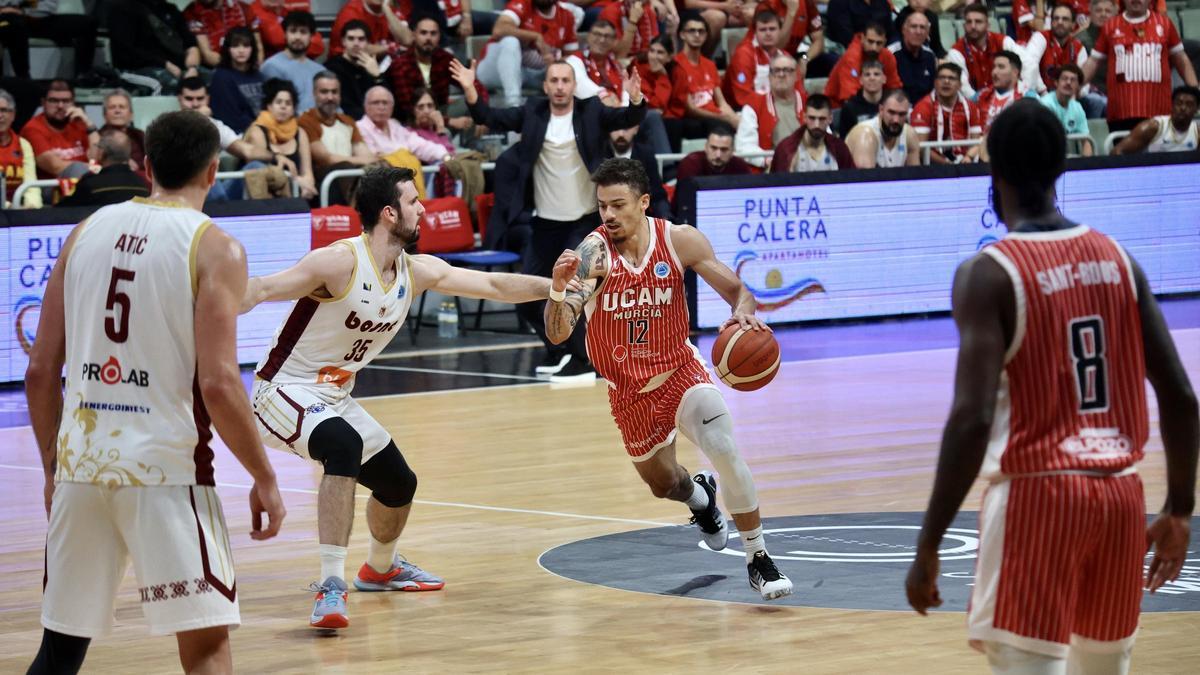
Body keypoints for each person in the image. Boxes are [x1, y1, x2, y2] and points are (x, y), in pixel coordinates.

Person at [905, 99, 1198, 674]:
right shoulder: (1119, 260)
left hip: (1038, 499)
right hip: (1120, 499)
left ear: (995, 173)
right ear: (1063, 168)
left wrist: (929, 542)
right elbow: (1182, 397)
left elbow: (970, 419)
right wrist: (1180, 511)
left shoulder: (988, 273)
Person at [243, 165, 570, 629]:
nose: (424, 210)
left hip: (334, 396)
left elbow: (496, 285)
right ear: (389, 213)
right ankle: (331, 586)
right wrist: (206, 295)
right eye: (415, 202)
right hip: (281, 389)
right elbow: (262, 288)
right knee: (344, 446)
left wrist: (557, 288)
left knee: (399, 485)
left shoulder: (413, 271)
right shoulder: (338, 262)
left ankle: (379, 568)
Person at [24, 109, 285, 675]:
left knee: (60, 652)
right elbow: (217, 383)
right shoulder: (217, 249)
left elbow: (41, 372)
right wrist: (265, 476)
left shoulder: (82, 232)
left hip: (81, 469)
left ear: (146, 167)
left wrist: (52, 467)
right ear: (214, 171)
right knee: (207, 648)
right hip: (167, 473)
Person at [544, 157, 795, 601]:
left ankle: (758, 558)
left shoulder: (679, 240)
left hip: (680, 370)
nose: (609, 215)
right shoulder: (593, 254)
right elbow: (559, 331)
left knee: (723, 445)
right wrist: (560, 288)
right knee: (664, 485)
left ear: (643, 202)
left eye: (618, 204)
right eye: (602, 206)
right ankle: (699, 498)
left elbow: (739, 291)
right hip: (630, 392)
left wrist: (742, 313)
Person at [452, 58, 648, 382]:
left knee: (574, 292)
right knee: (527, 299)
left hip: (583, 221)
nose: (559, 87)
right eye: (553, 81)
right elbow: (490, 117)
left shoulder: (590, 111)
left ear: (574, 85)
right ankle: (561, 350)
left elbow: (628, 117)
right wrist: (471, 89)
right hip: (544, 222)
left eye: (565, 81)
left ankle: (584, 359)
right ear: (545, 86)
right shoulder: (533, 112)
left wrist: (635, 97)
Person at [1081, 0, 1198, 132]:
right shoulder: (1110, 26)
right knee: (1121, 151)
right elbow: (1093, 62)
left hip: (1159, 112)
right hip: (1121, 114)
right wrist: (1074, 88)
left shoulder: (1165, 24)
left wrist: (1195, 92)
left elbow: (1182, 59)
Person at [476, 0, 580, 107]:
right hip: (493, 71)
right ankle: (514, 104)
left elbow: (572, 57)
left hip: (531, 74)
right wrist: (535, 36)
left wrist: (555, 63)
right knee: (510, 41)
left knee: (571, 65)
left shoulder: (566, 16)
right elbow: (499, 29)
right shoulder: (522, 3)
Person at [389, 13, 488, 123]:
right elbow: (408, 109)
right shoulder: (401, 64)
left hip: (441, 111)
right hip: (413, 120)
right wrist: (448, 121)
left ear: (439, 36)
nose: (428, 38)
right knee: (447, 130)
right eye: (423, 33)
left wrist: (483, 115)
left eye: (433, 33)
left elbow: (474, 85)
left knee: (472, 102)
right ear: (414, 35)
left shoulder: (444, 58)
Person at [299, 73, 376, 205]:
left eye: (334, 92)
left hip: (350, 176)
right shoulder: (306, 121)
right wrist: (362, 161)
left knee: (381, 167)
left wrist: (375, 162)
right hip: (322, 183)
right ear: (314, 94)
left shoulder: (347, 121)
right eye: (324, 92)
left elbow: (364, 153)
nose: (330, 97)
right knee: (345, 168)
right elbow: (326, 158)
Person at [105, 0, 202, 94]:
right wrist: (165, 64)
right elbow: (125, 51)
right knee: (171, 82)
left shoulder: (171, 9)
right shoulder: (123, 8)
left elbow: (190, 43)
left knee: (210, 78)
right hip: (137, 68)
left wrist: (192, 68)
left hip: (177, 66)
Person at [244, 78, 319, 199]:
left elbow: (308, 173)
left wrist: (306, 185)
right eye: (278, 102)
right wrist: (296, 182)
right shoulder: (258, 131)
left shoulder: (300, 133)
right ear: (269, 106)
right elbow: (260, 171)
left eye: (288, 103)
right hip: (264, 194)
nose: (283, 107)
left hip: (298, 193)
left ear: (294, 109)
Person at [668, 15, 740, 139]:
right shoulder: (676, 64)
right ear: (682, 35)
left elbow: (721, 102)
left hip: (715, 115)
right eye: (692, 31)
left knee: (745, 123)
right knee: (722, 127)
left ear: (706, 36)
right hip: (695, 118)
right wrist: (722, 118)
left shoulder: (710, 65)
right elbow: (690, 108)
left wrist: (735, 119)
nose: (697, 35)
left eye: (701, 31)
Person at [0, 0, 97, 80]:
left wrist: (23, 10)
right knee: (15, 26)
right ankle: (23, 77)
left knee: (88, 24)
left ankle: (83, 75)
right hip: (5, 20)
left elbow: (47, 6)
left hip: (36, 18)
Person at [736, 53, 807, 162]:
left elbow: (826, 138)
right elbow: (744, 147)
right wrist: (769, 161)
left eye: (787, 70)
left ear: (796, 75)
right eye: (776, 71)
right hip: (771, 171)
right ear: (769, 77)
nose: (781, 75)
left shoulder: (809, 103)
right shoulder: (754, 105)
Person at [358, 85, 454, 165]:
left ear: (392, 107)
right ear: (366, 106)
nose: (381, 107)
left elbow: (422, 146)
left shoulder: (396, 127)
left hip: (408, 179)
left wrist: (445, 156)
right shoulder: (359, 128)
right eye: (376, 103)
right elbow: (376, 157)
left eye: (385, 103)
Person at [20, 80, 96, 180]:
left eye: (66, 101)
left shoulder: (79, 123)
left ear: (73, 102)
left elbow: (97, 157)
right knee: (77, 169)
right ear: (43, 103)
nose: (60, 106)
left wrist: (89, 124)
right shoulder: (32, 128)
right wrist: (91, 167)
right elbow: (54, 166)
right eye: (54, 101)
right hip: (50, 187)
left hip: (83, 183)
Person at [947, 4, 1025, 99]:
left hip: (1008, 96)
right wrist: (984, 103)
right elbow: (964, 88)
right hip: (976, 103)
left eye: (978, 22)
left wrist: (1023, 91)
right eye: (969, 22)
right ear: (964, 25)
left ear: (988, 25)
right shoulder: (956, 51)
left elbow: (1027, 63)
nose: (973, 26)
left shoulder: (1003, 41)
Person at [57, 130, 151, 208]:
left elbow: (65, 210)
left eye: (98, 147)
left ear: (101, 152)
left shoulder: (90, 184)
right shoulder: (142, 185)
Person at [911, 62, 981, 164]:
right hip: (933, 166)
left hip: (965, 163)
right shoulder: (923, 107)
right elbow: (921, 148)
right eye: (941, 78)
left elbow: (977, 141)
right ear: (935, 82)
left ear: (960, 85)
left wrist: (969, 157)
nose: (946, 81)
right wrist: (947, 165)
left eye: (952, 78)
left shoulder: (971, 107)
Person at [824, 22, 904, 108]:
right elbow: (849, 96)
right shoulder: (851, 57)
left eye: (879, 43)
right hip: (838, 107)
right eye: (870, 41)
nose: (874, 47)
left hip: (876, 105)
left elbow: (894, 88)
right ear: (862, 38)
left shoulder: (888, 57)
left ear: (884, 42)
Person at [770, 94, 856, 172]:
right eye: (812, 118)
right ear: (804, 117)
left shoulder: (840, 149)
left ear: (830, 119)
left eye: (822, 119)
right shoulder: (786, 149)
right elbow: (775, 185)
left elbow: (852, 182)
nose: (816, 125)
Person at [260, 11, 325, 113]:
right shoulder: (272, 66)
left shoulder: (320, 70)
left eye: (303, 32)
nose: (298, 37)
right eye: (293, 31)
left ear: (311, 36)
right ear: (285, 34)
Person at [322, 20, 387, 121]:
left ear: (368, 43)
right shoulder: (332, 68)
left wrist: (377, 76)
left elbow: (387, 102)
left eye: (361, 39)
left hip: (375, 122)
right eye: (351, 39)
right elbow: (344, 106)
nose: (356, 44)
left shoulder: (372, 65)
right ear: (343, 41)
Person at [723, 9, 788, 109]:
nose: (768, 33)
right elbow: (743, 97)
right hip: (743, 111)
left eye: (772, 29)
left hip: (775, 108)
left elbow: (796, 90)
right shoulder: (744, 54)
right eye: (763, 30)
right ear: (755, 32)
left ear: (780, 31)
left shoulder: (785, 56)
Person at [605, 125, 671, 219]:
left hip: (639, 219)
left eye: (626, 128)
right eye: (616, 128)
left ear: (636, 129)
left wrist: (665, 219)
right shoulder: (598, 154)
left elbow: (657, 194)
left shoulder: (646, 153)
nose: (621, 134)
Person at [1022, 4, 1088, 96]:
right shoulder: (1040, 37)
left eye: (1065, 19)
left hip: (1068, 98)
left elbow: (1085, 83)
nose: (1060, 22)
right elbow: (1029, 65)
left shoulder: (1079, 48)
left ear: (1073, 25)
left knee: (1096, 101)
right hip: (1040, 95)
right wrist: (1043, 92)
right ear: (1051, 22)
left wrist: (1073, 96)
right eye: (1056, 18)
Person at [210, 26, 265, 134]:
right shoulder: (221, 77)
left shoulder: (258, 75)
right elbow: (230, 116)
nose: (241, 51)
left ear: (252, 48)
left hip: (261, 129)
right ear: (228, 49)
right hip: (236, 134)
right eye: (235, 46)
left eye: (246, 46)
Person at [1114, 85, 1200, 154]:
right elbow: (1117, 151)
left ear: (1197, 109)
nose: (1183, 108)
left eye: (1189, 104)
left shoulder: (1197, 133)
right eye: (1179, 103)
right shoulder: (1152, 127)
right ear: (1172, 106)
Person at [846, 89, 921, 167]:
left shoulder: (909, 135)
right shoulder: (865, 135)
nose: (896, 120)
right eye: (891, 112)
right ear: (881, 110)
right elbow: (865, 177)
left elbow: (915, 176)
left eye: (901, 114)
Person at [184, 0, 261, 69]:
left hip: (248, 66)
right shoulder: (192, 12)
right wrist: (239, 69)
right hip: (218, 69)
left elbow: (258, 46)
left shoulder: (243, 8)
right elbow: (207, 55)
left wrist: (254, 67)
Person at [1038, 64, 1093, 155]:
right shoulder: (1046, 105)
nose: (1068, 82)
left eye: (1073, 80)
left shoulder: (1077, 107)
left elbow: (1086, 140)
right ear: (1056, 82)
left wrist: (1087, 163)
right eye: (1064, 78)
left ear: (1078, 86)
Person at [0, 88, 41, 208]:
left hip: (18, 209)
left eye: (4, 110)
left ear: (13, 115)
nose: (0, 116)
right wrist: (11, 207)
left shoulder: (23, 144)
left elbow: (31, 184)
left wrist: (32, 207)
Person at [330, 0, 412, 58]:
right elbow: (359, 48)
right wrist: (392, 47)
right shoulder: (351, 12)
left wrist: (386, 9)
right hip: (347, 65)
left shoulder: (389, 9)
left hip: (382, 65)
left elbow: (407, 41)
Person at [889, 10, 938, 104]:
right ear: (904, 30)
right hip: (898, 111)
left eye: (922, 27)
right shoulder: (891, 54)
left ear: (927, 33)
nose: (918, 31)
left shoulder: (930, 56)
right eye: (914, 26)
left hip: (924, 111)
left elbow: (933, 91)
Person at [250, 0, 325, 58]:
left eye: (302, 32)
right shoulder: (255, 9)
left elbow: (318, 47)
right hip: (275, 65)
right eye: (293, 31)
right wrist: (304, 43)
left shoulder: (290, 7)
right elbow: (277, 40)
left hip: (303, 62)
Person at [974, 50, 1024, 135]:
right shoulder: (980, 96)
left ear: (1015, 72)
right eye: (994, 67)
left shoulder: (1028, 96)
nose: (994, 72)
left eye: (1001, 67)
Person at [99, 90, 147, 173]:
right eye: (112, 107)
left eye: (122, 107)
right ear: (104, 115)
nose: (117, 111)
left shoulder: (140, 136)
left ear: (131, 115)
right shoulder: (97, 137)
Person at [836, 59, 886, 138]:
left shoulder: (891, 105)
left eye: (876, 74)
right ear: (861, 80)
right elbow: (844, 140)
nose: (872, 78)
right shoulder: (849, 108)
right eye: (867, 74)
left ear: (884, 79)